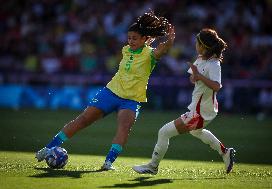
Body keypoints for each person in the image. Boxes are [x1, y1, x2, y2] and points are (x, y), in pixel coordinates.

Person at [35, 12, 175, 170]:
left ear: (143, 39)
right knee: (82, 120)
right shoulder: (126, 50)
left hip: (131, 99)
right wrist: (146, 38)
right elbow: (143, 42)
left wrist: (169, 41)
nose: (130, 41)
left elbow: (161, 50)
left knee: (124, 128)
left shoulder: (150, 55)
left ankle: (108, 162)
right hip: (110, 92)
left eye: (134, 38)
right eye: (129, 38)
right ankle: (47, 149)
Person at [132, 28, 236, 175]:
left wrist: (199, 76)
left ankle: (152, 166)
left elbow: (217, 86)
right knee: (196, 133)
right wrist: (194, 77)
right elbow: (193, 78)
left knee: (164, 132)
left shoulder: (214, 64)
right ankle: (225, 152)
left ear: (204, 46)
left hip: (201, 113)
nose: (195, 45)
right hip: (200, 110)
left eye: (197, 42)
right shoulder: (200, 59)